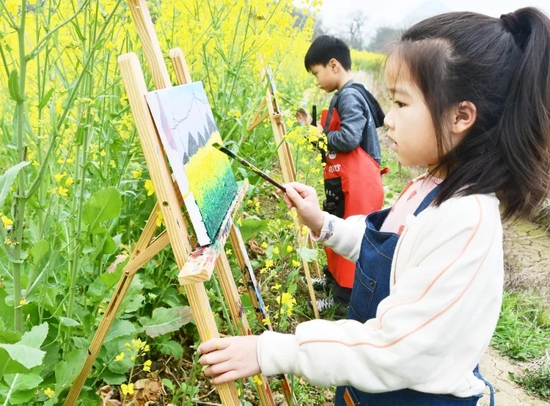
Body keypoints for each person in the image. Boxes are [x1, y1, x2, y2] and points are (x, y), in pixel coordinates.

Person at [198, 7, 550, 406]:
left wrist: (273, 351)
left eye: (401, 104)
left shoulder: (464, 219)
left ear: (460, 116)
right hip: (372, 387)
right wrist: (323, 223)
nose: (388, 121)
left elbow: (394, 348)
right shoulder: (430, 185)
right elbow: (386, 246)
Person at [299, 35, 386, 314]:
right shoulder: (345, 95)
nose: (316, 80)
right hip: (347, 179)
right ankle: (331, 282)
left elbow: (348, 138)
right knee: (335, 229)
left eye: (316, 73)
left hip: (359, 184)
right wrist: (315, 129)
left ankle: (343, 300)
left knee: (351, 237)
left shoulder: (349, 95)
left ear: (333, 65)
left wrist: (318, 134)